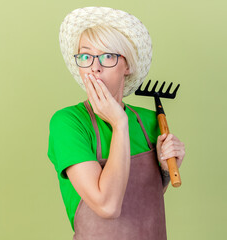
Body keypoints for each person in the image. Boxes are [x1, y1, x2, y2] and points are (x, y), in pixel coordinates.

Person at [48, 6, 185, 240]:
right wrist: (120, 123)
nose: (95, 66)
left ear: (127, 65)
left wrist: (164, 170)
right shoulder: (69, 123)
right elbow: (108, 207)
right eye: (85, 56)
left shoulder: (149, 121)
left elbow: (143, 201)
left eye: (108, 56)